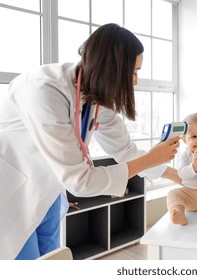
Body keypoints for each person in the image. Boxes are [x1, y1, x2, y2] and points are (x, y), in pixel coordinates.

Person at [0, 23, 181, 260]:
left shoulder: (95, 98)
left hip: (50, 192)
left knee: (54, 262)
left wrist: (179, 177)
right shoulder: (42, 90)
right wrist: (150, 159)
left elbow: (125, 149)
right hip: (14, 196)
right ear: (111, 69)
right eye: (133, 72)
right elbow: (80, 181)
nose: (135, 82)